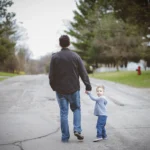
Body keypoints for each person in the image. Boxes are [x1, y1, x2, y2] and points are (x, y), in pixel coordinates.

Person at [49, 35, 92, 142]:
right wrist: (88, 85)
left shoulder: (55, 57)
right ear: (69, 43)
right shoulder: (75, 56)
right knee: (76, 109)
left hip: (60, 90)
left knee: (63, 112)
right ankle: (77, 129)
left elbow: (51, 75)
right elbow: (83, 72)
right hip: (74, 89)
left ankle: (65, 137)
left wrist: (54, 87)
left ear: (60, 44)